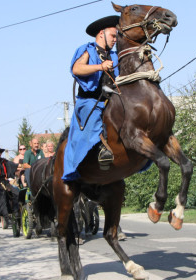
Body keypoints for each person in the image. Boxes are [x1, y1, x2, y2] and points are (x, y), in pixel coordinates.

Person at [62, 15, 120, 181]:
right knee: (94, 114)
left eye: (117, 36)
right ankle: (102, 150)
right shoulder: (87, 49)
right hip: (90, 101)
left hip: (112, 100)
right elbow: (76, 68)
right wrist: (100, 66)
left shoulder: (115, 56)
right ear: (101, 33)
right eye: (113, 36)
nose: (115, 39)